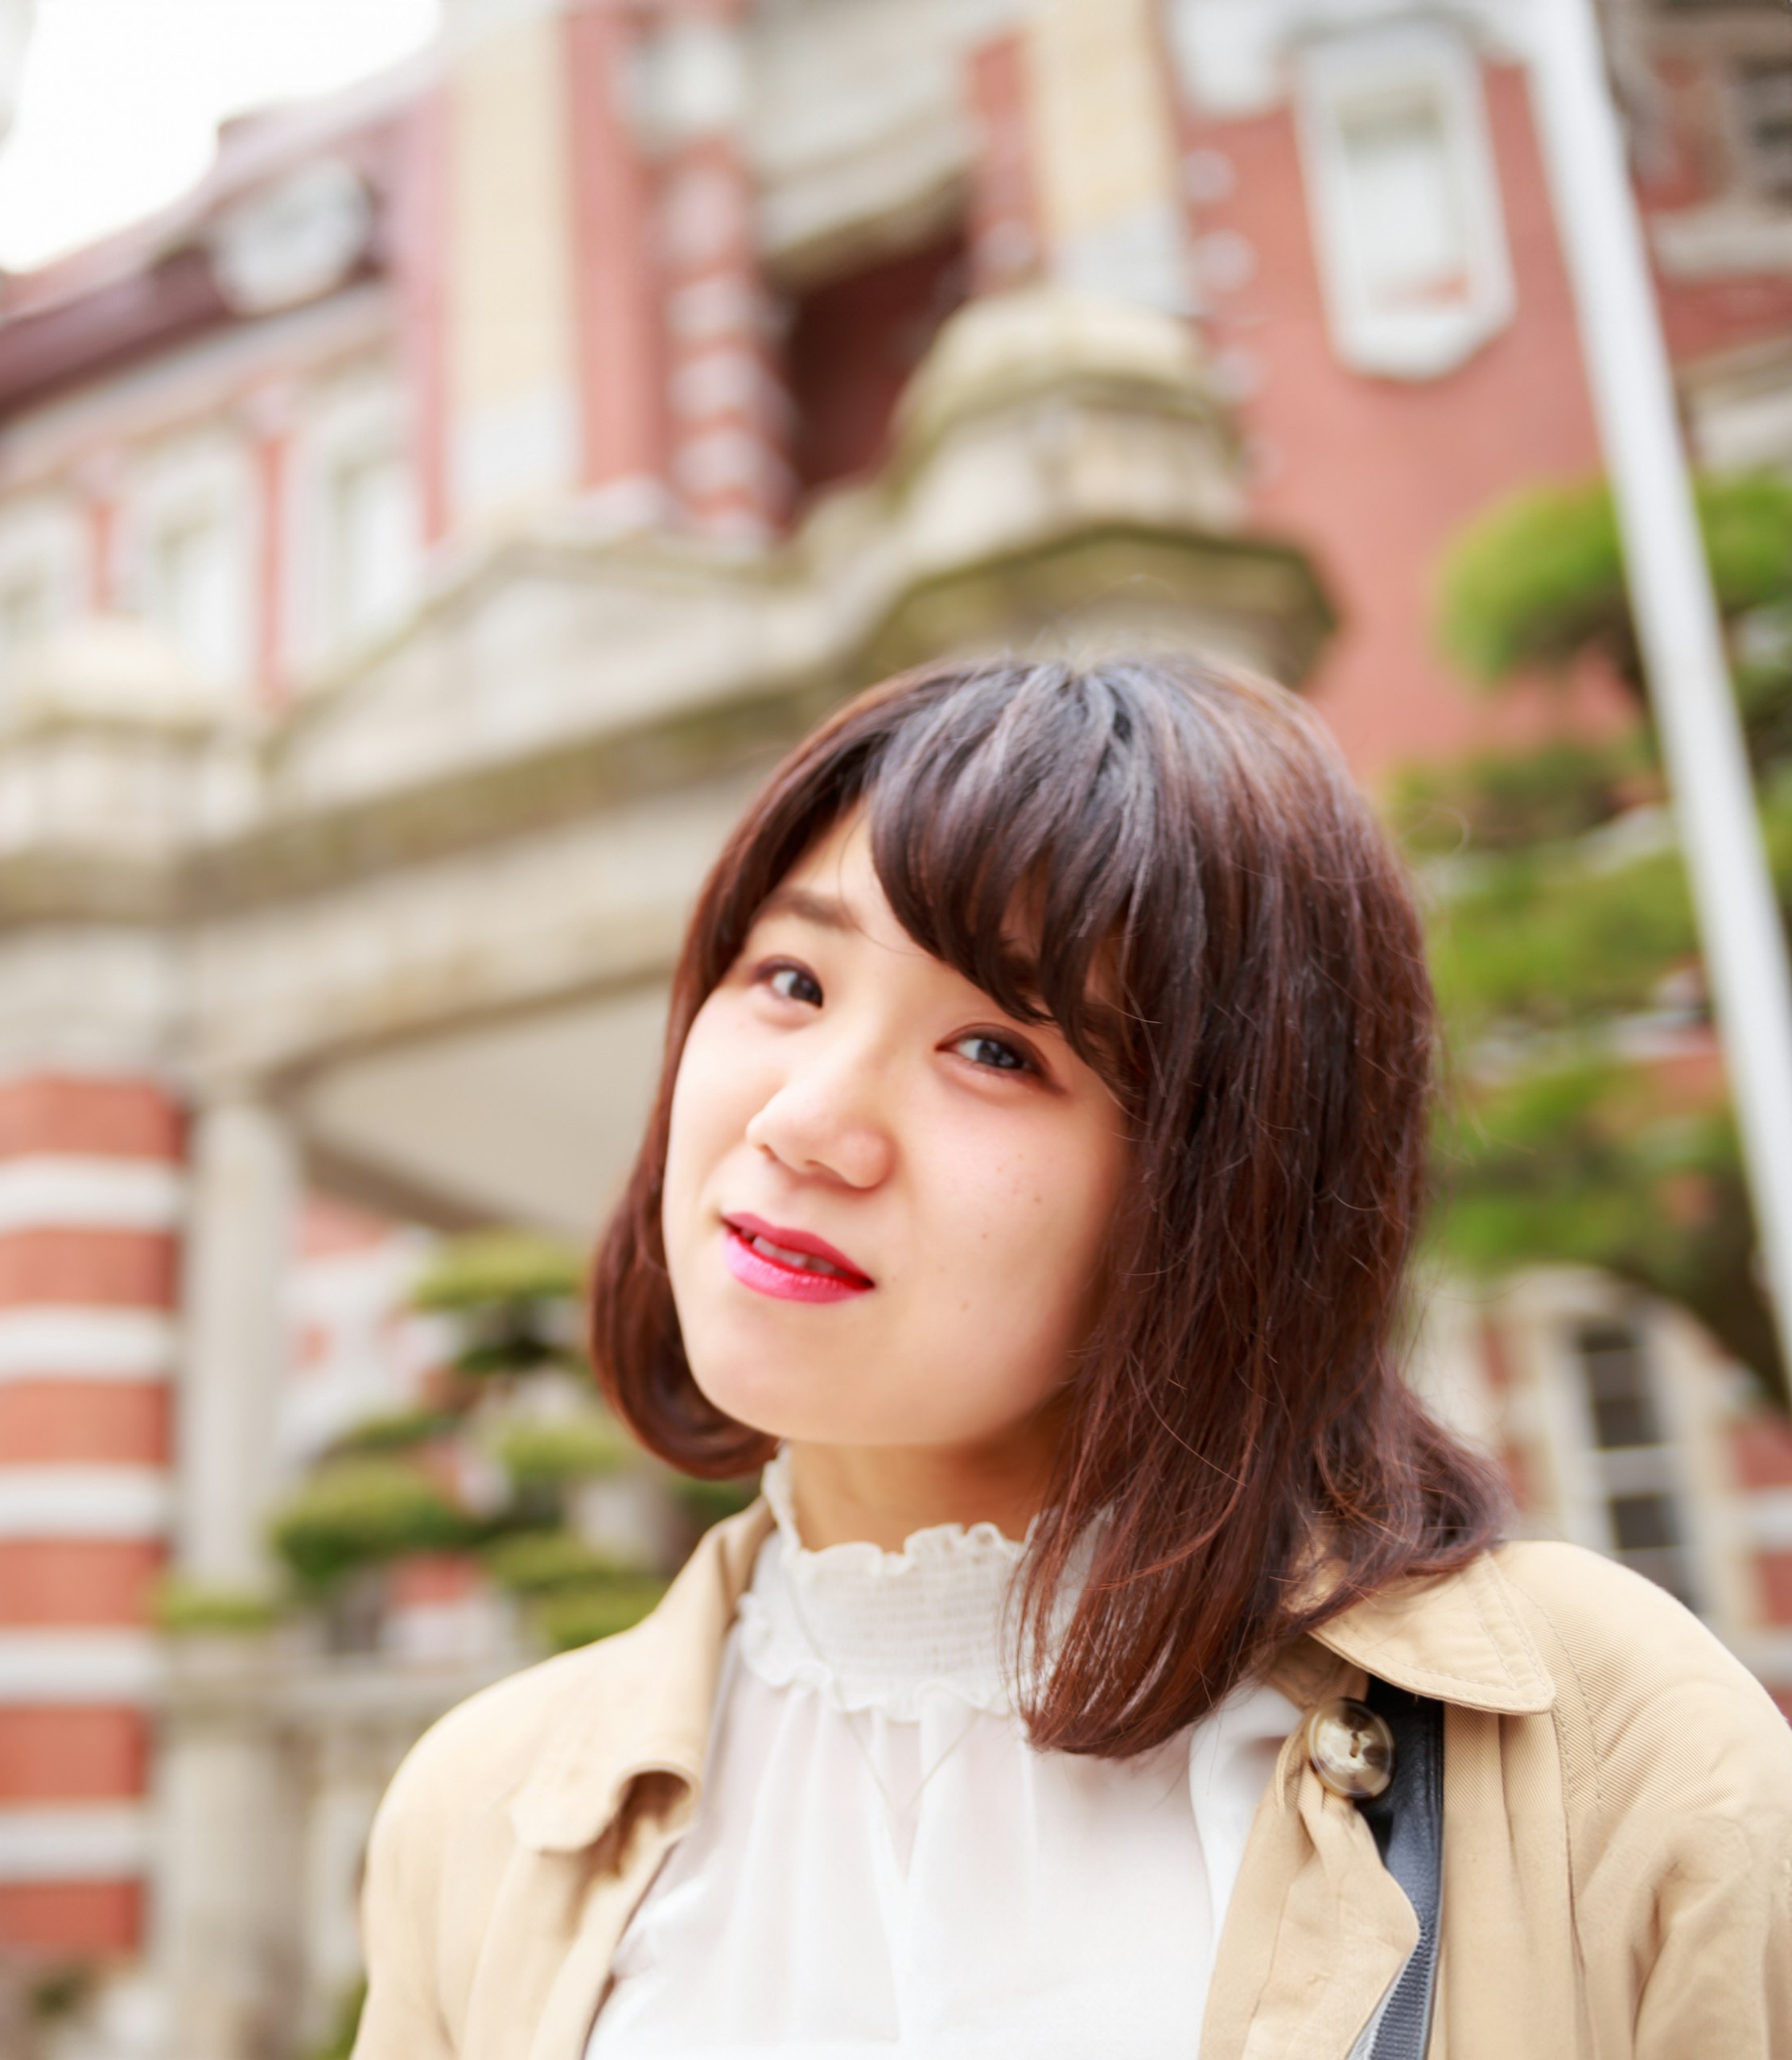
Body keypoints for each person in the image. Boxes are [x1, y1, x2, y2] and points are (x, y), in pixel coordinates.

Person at [349, 653, 1792, 2059]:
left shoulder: (1603, 1744)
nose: (804, 1121)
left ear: (1223, 1186)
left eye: (995, 1050)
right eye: (791, 978)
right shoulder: (484, 1813)